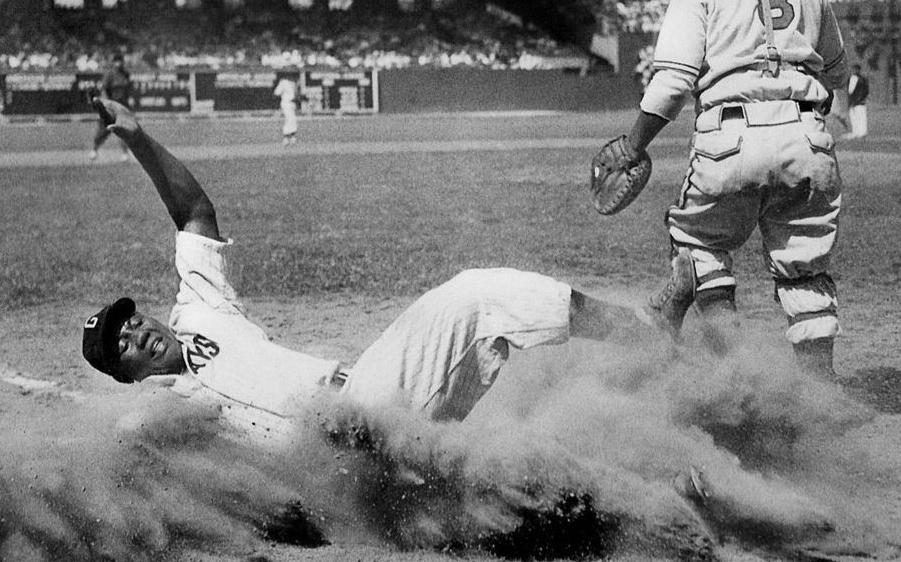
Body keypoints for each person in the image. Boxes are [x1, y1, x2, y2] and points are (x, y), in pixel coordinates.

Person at [82, 98, 640, 442]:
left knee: (477, 294)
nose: (136, 332)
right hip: (339, 470)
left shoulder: (201, 313)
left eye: (130, 321)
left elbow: (195, 214)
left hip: (371, 409)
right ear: (124, 376)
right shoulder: (157, 417)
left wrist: (138, 139)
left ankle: (644, 335)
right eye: (121, 344)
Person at [610, 0, 849, 378]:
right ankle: (821, 396)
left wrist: (633, 146)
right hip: (808, 137)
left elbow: (673, 83)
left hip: (732, 135)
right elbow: (837, 70)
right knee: (805, 271)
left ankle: (740, 375)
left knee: (699, 246)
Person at [91, 53, 133, 161]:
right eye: (116, 61)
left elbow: (127, 90)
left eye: (120, 61)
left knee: (123, 130)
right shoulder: (110, 74)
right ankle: (94, 150)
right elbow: (104, 89)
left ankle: (125, 153)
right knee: (103, 130)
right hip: (111, 107)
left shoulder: (126, 74)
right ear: (113, 62)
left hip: (122, 106)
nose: (119, 63)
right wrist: (107, 105)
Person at [843, 63, 869, 139]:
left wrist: (858, 100)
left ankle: (861, 133)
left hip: (858, 101)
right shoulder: (851, 78)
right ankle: (857, 132)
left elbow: (864, 91)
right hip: (855, 101)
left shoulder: (861, 79)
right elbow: (849, 91)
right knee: (854, 117)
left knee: (860, 117)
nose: (853, 71)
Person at [273, 73, 299, 145]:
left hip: (293, 103)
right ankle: (286, 137)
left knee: (293, 119)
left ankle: (291, 136)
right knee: (289, 118)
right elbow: (276, 93)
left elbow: (296, 94)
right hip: (286, 102)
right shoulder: (283, 82)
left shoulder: (294, 82)